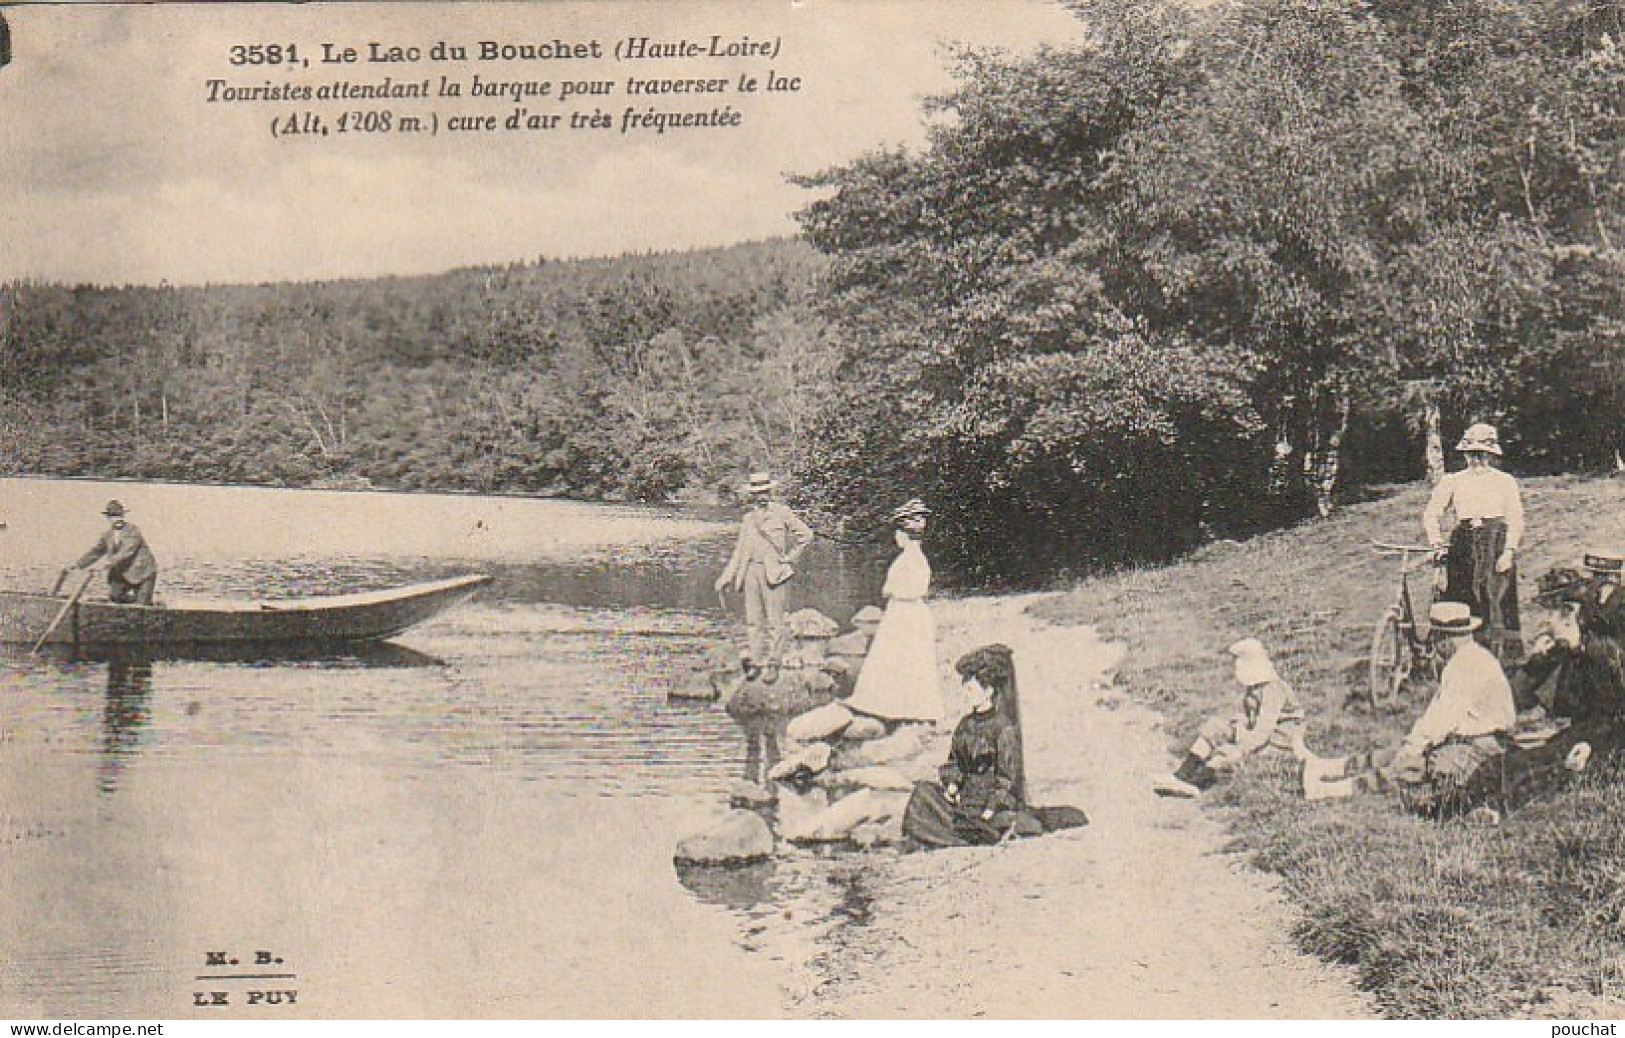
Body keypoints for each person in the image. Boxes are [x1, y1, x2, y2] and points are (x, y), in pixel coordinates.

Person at [1305, 602, 1516, 817]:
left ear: (1444, 639)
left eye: (1435, 639)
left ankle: (1330, 789)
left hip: (1483, 747)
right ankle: (1330, 768)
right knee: (1403, 750)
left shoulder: (1465, 666)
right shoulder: (1472, 657)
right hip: (1476, 740)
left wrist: (1414, 746)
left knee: (1412, 766)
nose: (1434, 646)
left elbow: (1442, 719)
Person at [901, 645, 1087, 849]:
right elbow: (955, 761)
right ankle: (958, 829)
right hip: (965, 799)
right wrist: (952, 785)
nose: (966, 694)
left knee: (996, 825)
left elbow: (1007, 778)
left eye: (971, 689)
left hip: (993, 805)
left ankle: (964, 831)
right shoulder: (965, 724)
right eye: (964, 689)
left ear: (988, 690)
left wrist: (990, 808)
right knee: (922, 794)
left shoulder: (1003, 727)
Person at [1422, 422, 1526, 661]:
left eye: (1482, 455)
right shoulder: (1453, 481)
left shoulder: (1504, 481)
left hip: (1495, 544)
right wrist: (1437, 543)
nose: (1476, 460)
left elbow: (1516, 517)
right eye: (1471, 454)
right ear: (1465, 454)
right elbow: (1431, 513)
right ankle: (1461, 655)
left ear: (1491, 455)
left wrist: (1509, 551)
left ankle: (1500, 659)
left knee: (1495, 598)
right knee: (1462, 595)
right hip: (1464, 544)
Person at [1153, 638, 1306, 798]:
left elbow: (1264, 730)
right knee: (1216, 728)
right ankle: (1181, 775)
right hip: (1262, 734)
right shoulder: (1256, 687)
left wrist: (1240, 747)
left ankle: (1196, 784)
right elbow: (1251, 717)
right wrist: (1236, 726)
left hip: (1280, 740)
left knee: (1229, 752)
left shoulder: (1273, 689)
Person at [843, 498, 944, 724]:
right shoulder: (908, 558)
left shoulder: (913, 558)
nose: (896, 538)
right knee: (895, 658)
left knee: (909, 659)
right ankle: (891, 706)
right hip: (902, 612)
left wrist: (890, 590)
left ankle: (914, 710)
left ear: (905, 535)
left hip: (908, 612)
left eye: (898, 534)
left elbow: (916, 589)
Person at [714, 472, 813, 682]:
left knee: (776, 622)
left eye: (765, 492)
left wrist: (790, 559)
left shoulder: (782, 513)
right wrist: (726, 577)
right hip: (750, 572)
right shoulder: (748, 519)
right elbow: (739, 552)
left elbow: (806, 535)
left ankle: (773, 664)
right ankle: (757, 663)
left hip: (775, 574)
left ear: (770, 492)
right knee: (753, 621)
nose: (762, 497)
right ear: (752, 495)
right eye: (758, 493)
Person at [67, 500, 158, 605]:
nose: (117, 519)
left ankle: (145, 605)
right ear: (108, 518)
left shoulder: (133, 530)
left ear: (123, 516)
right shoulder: (107, 535)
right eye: (114, 516)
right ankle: (133, 607)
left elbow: (127, 551)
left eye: (119, 515)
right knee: (115, 596)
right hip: (123, 574)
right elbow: (96, 551)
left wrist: (109, 563)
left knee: (142, 605)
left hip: (143, 573)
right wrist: (78, 565)